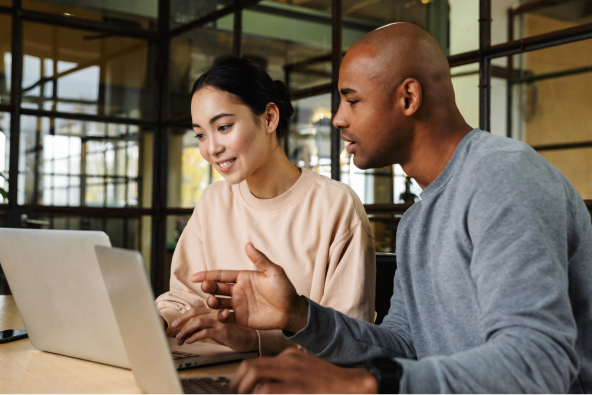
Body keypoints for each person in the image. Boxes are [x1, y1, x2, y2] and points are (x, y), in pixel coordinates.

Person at [193, 23, 592, 395]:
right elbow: (402, 345)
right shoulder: (417, 220)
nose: (337, 119)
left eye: (351, 100)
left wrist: (369, 385)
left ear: (408, 98)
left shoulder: (502, 175)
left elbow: (541, 363)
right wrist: (300, 315)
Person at [155, 57, 376, 356]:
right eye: (200, 134)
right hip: (217, 370)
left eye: (223, 126)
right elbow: (185, 299)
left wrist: (253, 340)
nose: (211, 148)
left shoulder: (335, 205)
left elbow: (350, 337)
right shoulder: (213, 201)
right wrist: (157, 320)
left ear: (269, 118)